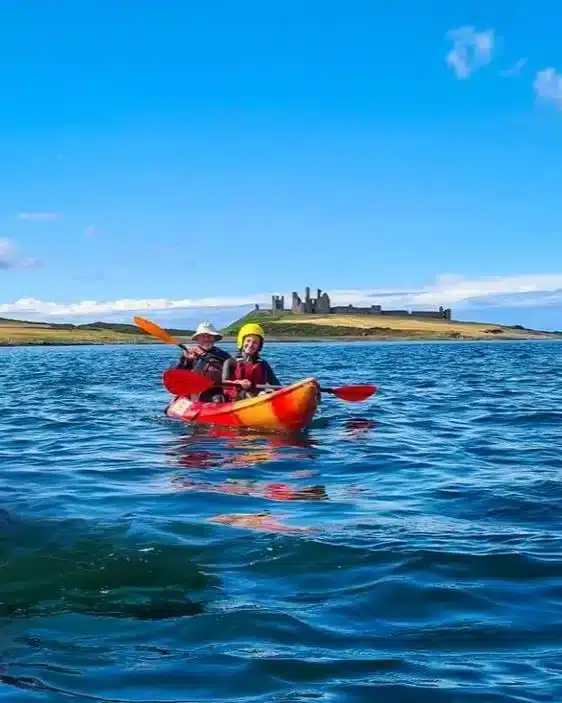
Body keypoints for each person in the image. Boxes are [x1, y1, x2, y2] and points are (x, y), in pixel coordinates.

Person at [173, 321, 231, 402]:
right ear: (197, 339)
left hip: (218, 390)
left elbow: (233, 372)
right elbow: (175, 374)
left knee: (219, 398)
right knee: (217, 399)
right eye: (203, 336)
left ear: (214, 339)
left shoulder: (224, 355)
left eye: (210, 336)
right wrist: (184, 359)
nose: (207, 339)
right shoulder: (189, 354)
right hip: (197, 391)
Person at [222, 322, 281, 401]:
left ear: (259, 345)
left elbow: (276, 384)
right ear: (242, 342)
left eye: (255, 342)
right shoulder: (230, 362)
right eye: (248, 340)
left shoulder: (263, 364)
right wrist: (238, 382)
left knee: (265, 394)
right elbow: (224, 382)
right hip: (236, 398)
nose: (250, 345)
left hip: (258, 395)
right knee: (248, 395)